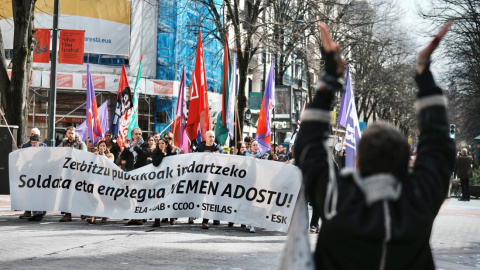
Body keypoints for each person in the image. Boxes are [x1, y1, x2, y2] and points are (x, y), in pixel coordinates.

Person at [294, 22, 455, 269]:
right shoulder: (418, 202)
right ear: (405, 164)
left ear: (358, 161)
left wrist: (330, 76)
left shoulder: (336, 200)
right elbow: (440, 145)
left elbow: (306, 144)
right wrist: (424, 72)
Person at [194, 130, 225, 229]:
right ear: (206, 137)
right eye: (210, 137)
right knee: (202, 199)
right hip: (202, 177)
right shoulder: (199, 147)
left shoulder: (217, 148)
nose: (212, 139)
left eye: (213, 137)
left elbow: (224, 159)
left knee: (212, 199)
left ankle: (207, 220)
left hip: (214, 177)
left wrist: (220, 154)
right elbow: (194, 158)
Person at [121, 127, 151, 225]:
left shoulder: (144, 144)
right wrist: (126, 149)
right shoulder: (128, 145)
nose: (138, 136)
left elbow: (145, 154)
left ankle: (140, 217)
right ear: (132, 135)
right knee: (131, 196)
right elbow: (123, 157)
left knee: (140, 196)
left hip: (141, 173)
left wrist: (136, 148)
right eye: (136, 134)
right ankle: (133, 217)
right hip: (131, 173)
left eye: (140, 134)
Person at [58, 126, 88, 222]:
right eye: (69, 133)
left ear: (75, 134)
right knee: (66, 193)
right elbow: (57, 153)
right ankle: (67, 214)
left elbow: (84, 156)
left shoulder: (80, 144)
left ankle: (83, 210)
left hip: (78, 172)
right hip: (66, 172)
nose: (71, 135)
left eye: (72, 133)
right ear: (66, 134)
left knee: (79, 192)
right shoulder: (63, 144)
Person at [86, 140, 114, 224]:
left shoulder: (110, 155)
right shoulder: (95, 155)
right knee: (95, 197)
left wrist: (102, 155)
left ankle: (104, 215)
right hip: (97, 179)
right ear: (98, 147)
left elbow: (109, 163)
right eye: (101, 146)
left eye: (104, 146)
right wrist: (95, 156)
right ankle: (93, 217)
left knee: (104, 198)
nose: (102, 147)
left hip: (106, 179)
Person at [151, 138, 177, 227]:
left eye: (163, 143)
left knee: (170, 198)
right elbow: (155, 163)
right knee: (158, 199)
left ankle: (171, 217)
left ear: (166, 144)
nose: (161, 145)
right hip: (159, 179)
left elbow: (176, 163)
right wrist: (162, 154)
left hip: (169, 179)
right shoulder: (155, 152)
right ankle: (157, 220)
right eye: (159, 143)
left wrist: (173, 153)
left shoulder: (171, 151)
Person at [23, 134, 47, 221]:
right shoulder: (29, 149)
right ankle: (35, 212)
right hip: (32, 174)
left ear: (39, 142)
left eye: (35, 143)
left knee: (39, 194)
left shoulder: (44, 149)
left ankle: (39, 213)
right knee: (32, 193)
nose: (33, 145)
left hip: (41, 175)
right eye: (32, 143)